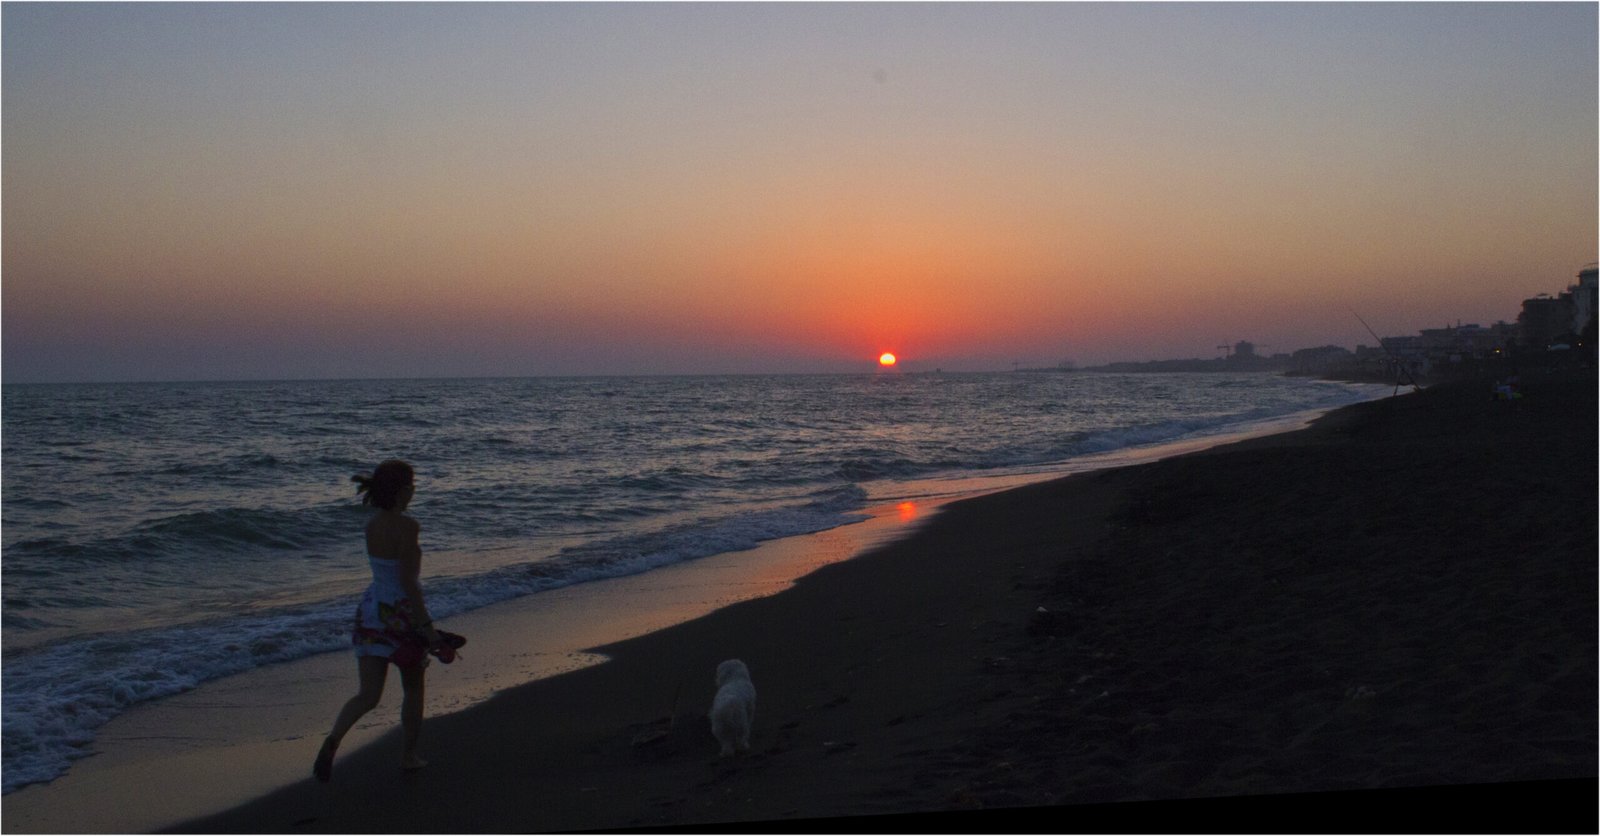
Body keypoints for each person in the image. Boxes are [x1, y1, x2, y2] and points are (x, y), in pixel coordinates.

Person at [314, 459, 445, 781]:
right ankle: (409, 756)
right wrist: (427, 629)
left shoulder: (372, 524)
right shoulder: (408, 527)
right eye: (411, 485)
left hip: (372, 612)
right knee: (413, 688)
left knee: (367, 695)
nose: (413, 491)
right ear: (403, 491)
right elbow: (409, 583)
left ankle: (334, 738)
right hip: (401, 616)